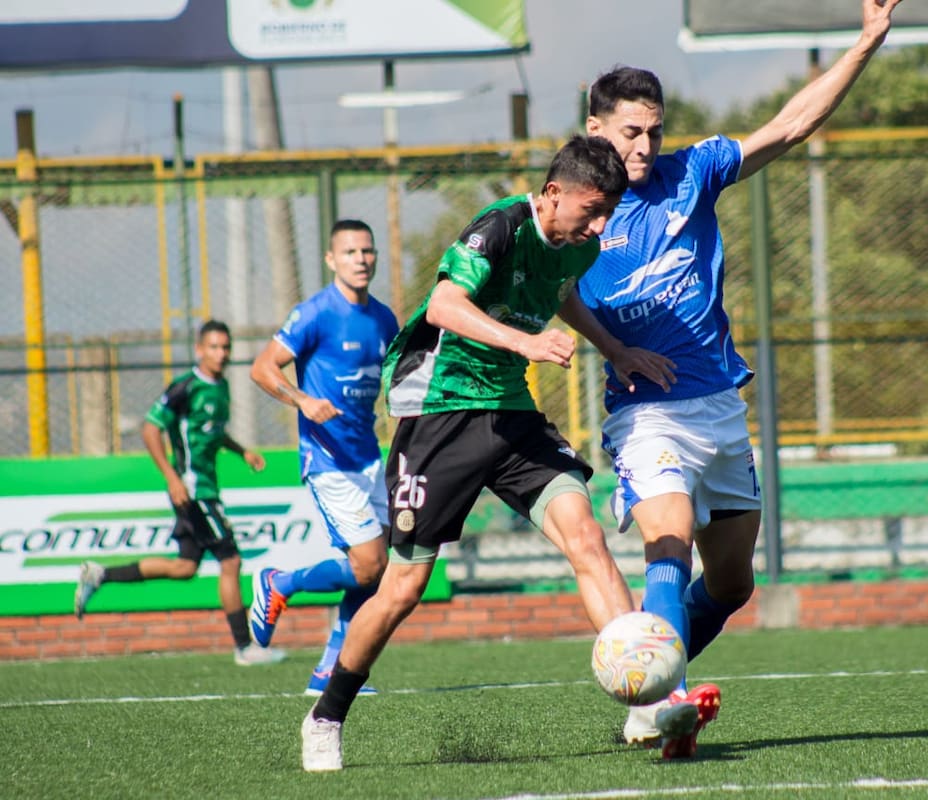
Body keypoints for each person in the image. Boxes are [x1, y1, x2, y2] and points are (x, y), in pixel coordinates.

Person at [557, 0, 904, 759]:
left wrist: (866, 42)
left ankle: (651, 678)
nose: (645, 145)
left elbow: (790, 127)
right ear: (595, 125)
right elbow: (552, 288)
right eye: (629, 131)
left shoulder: (694, 171)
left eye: (653, 129)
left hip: (718, 407)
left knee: (732, 585)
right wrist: (614, 349)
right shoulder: (578, 202)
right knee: (667, 543)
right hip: (645, 414)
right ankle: (663, 702)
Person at [300, 134, 635, 772]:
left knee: (585, 536)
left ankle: (645, 697)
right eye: (591, 209)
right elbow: (447, 305)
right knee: (402, 587)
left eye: (607, 213)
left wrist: (614, 349)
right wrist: (524, 343)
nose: (599, 225)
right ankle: (326, 715)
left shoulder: (581, 244)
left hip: (510, 414)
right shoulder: (501, 226)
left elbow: (561, 289)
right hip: (440, 414)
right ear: (554, 192)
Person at [73, 319, 285, 666]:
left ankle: (101, 574)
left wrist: (241, 450)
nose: (221, 353)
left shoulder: (221, 386)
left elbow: (211, 432)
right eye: (214, 347)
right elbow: (149, 428)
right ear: (200, 350)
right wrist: (172, 478)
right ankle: (245, 648)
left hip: (203, 488)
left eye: (226, 347)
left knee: (185, 567)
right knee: (230, 561)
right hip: (193, 490)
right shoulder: (185, 387)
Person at [248, 219, 400, 697]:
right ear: (332, 259)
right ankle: (280, 582)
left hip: (368, 457)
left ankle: (329, 672)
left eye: (367, 251)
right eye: (351, 252)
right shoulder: (314, 312)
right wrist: (303, 401)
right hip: (327, 458)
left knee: (374, 572)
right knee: (370, 563)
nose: (361, 259)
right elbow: (261, 368)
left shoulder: (384, 319)